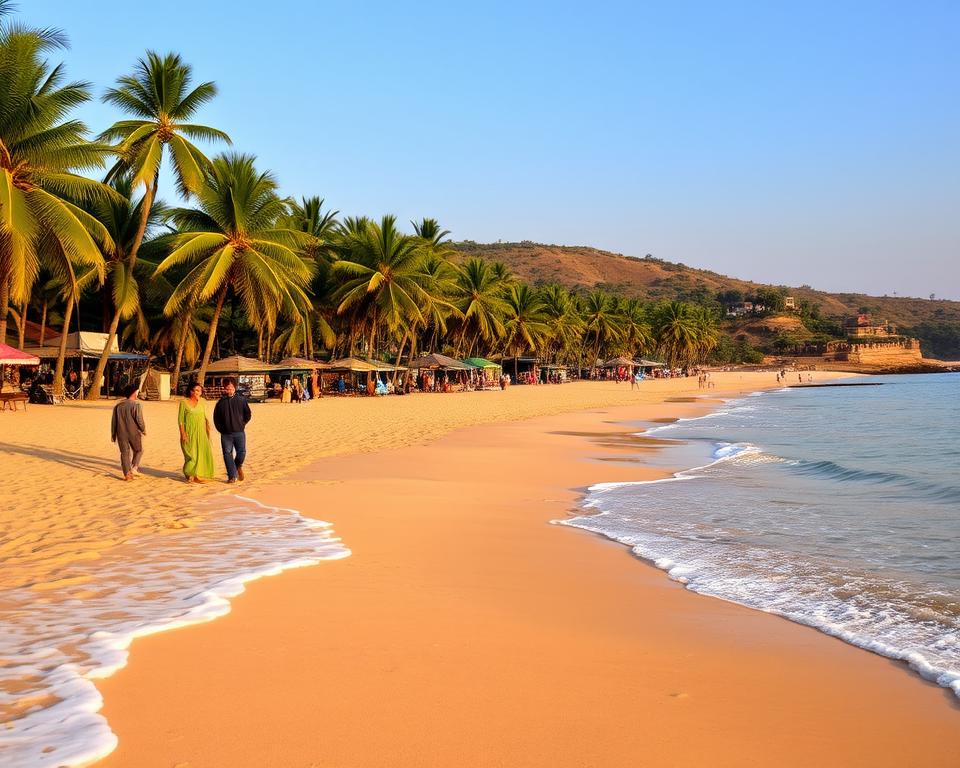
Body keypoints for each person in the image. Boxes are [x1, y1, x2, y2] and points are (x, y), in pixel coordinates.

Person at [213, 377, 252, 484]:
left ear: (235, 387)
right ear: (224, 389)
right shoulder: (220, 403)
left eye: (231, 388)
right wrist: (221, 429)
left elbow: (248, 414)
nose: (229, 390)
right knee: (227, 453)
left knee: (242, 452)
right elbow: (216, 418)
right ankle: (231, 476)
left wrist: (242, 424)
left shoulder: (241, 400)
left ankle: (237, 466)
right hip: (226, 434)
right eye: (227, 388)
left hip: (239, 432)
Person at [178, 382, 215, 483]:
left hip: (201, 432)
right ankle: (188, 472)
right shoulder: (184, 403)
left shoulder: (203, 402)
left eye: (199, 390)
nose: (198, 392)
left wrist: (208, 432)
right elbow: (180, 420)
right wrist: (183, 434)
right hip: (189, 432)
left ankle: (196, 476)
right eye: (196, 390)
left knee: (201, 454)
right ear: (191, 391)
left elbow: (206, 417)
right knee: (191, 455)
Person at [111, 384, 146, 481]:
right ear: (134, 393)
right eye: (137, 391)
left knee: (124, 453)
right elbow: (139, 420)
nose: (138, 393)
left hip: (120, 433)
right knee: (139, 450)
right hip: (133, 432)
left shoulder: (118, 406)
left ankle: (127, 474)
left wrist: (113, 435)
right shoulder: (136, 405)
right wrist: (143, 429)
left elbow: (114, 421)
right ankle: (134, 467)